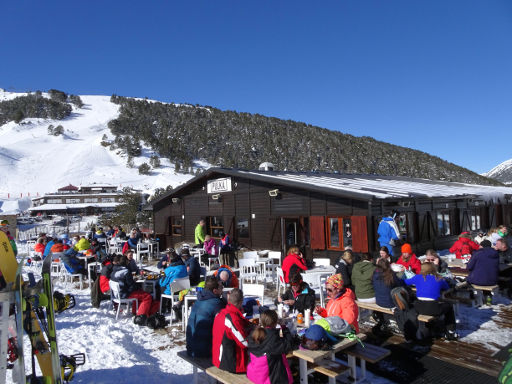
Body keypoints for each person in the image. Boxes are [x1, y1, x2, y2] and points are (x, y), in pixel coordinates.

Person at [405, 263, 458, 340]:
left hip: (419, 307)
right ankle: (450, 332)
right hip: (434, 308)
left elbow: (405, 282)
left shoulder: (417, 277)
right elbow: (447, 288)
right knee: (449, 307)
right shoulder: (439, 278)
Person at [247, 309, 294, 384]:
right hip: (268, 378)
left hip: (254, 373)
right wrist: (284, 328)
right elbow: (289, 344)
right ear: (275, 322)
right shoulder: (273, 339)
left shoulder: (255, 334)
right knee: (287, 359)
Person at [110, 255, 160, 326]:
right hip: (124, 294)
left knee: (139, 292)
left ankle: (135, 311)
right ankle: (142, 315)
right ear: (126, 262)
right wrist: (136, 285)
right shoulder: (126, 271)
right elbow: (131, 286)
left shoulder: (114, 270)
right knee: (147, 296)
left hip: (117, 294)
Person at [212, 288, 251, 373]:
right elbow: (245, 343)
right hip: (228, 363)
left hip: (218, 357)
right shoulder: (232, 319)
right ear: (241, 302)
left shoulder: (221, 313)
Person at [186, 276, 226, 357]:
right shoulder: (216, 303)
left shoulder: (200, 299)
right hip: (203, 350)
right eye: (221, 287)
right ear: (215, 290)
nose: (223, 289)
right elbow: (226, 322)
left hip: (191, 347)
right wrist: (225, 300)